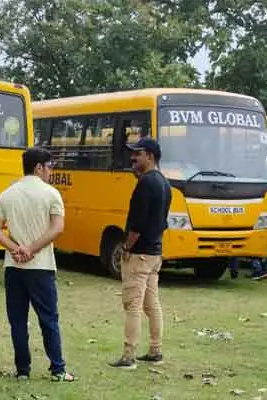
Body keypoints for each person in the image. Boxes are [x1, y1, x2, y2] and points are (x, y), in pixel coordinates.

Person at [0, 147, 75, 382]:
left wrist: (14, 248)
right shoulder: (51, 194)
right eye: (49, 167)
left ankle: (22, 370)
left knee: (18, 321)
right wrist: (32, 249)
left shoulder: (7, 194)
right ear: (38, 167)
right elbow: (57, 228)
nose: (51, 172)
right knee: (48, 319)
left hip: (13, 266)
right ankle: (58, 369)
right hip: (41, 266)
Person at [109, 137, 172, 370]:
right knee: (151, 304)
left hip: (139, 255)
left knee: (132, 305)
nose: (133, 158)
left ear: (150, 156)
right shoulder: (164, 183)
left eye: (138, 154)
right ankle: (156, 350)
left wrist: (126, 247)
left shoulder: (145, 184)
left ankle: (128, 356)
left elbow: (137, 224)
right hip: (155, 253)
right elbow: (160, 220)